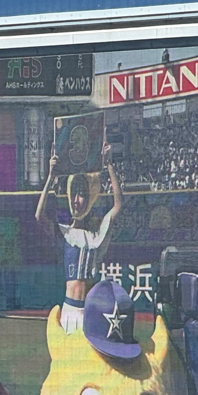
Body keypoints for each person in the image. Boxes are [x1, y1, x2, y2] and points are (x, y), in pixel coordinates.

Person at [34, 139, 124, 334]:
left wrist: (109, 165)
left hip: (91, 311)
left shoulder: (96, 236)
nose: (76, 200)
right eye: (74, 193)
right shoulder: (65, 233)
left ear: (89, 197)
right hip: (69, 310)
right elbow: (39, 215)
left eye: (82, 194)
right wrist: (50, 177)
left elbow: (117, 206)